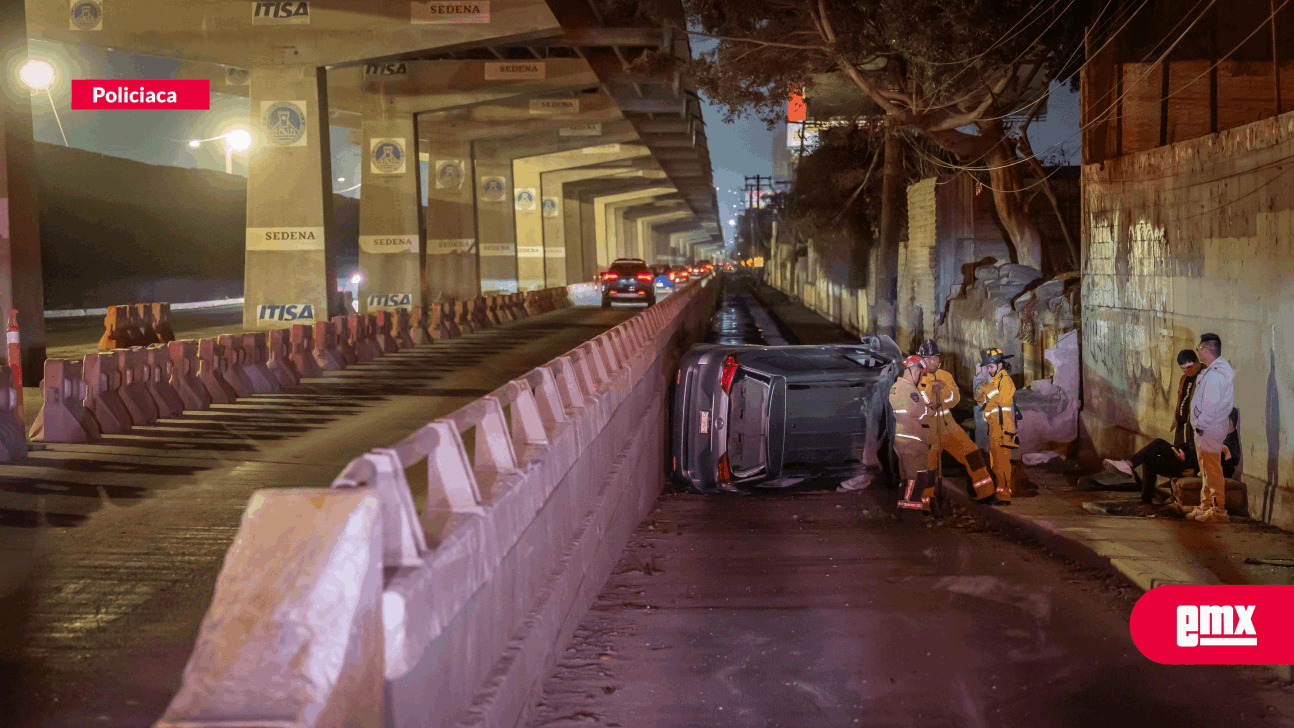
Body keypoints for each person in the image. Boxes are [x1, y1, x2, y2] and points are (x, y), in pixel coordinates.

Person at [1104, 349, 1203, 503]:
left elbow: (1206, 449)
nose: (1187, 371)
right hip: (1184, 452)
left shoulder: (1206, 378)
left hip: (1191, 464)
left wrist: (1196, 469)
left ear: (1197, 362)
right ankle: (1145, 500)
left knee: (1158, 443)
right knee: (1149, 458)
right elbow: (1181, 401)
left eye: (1190, 367)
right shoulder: (1185, 379)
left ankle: (1129, 464)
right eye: (1183, 368)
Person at [915, 339, 997, 501]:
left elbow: (955, 398)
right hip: (927, 429)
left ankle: (985, 493)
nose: (933, 361)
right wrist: (931, 388)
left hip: (948, 425)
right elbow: (918, 401)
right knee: (928, 467)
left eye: (936, 357)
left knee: (972, 453)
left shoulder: (945, 376)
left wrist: (943, 389)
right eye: (929, 358)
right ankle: (927, 502)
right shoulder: (915, 378)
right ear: (922, 360)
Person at [1189, 333, 1234, 523]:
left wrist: (1200, 425)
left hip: (1209, 429)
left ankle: (1218, 511)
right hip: (1208, 429)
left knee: (1212, 471)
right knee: (1206, 470)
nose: (1198, 351)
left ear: (1206, 350)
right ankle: (1206, 505)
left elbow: (1210, 404)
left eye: (1200, 348)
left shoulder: (1216, 375)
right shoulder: (1213, 371)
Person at [974, 348, 1018, 505]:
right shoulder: (994, 381)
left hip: (1004, 427)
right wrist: (980, 395)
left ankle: (1005, 496)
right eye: (987, 367)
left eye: (991, 367)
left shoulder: (1006, 380)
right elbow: (986, 401)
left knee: (1003, 462)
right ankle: (999, 494)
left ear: (1000, 365)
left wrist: (988, 389)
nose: (988, 370)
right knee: (995, 462)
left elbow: (1003, 400)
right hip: (994, 427)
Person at [891, 355, 934, 511]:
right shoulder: (910, 390)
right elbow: (921, 413)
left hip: (901, 438)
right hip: (912, 439)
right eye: (921, 373)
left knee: (906, 478)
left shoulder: (896, 387)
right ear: (914, 369)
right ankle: (910, 513)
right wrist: (932, 409)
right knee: (916, 478)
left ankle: (904, 509)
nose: (920, 376)